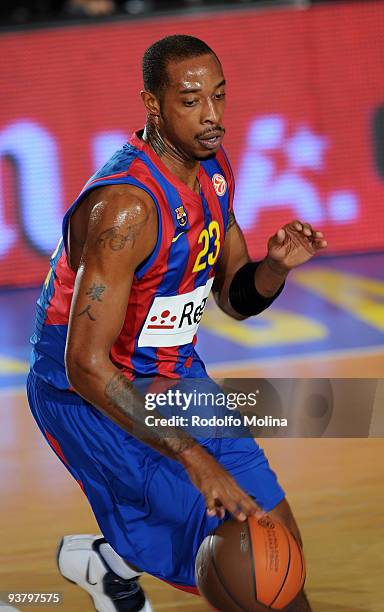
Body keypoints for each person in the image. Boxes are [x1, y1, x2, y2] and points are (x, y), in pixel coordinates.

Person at [26, 35, 327, 612]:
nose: (212, 116)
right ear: (153, 104)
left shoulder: (212, 168)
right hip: (88, 394)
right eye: (192, 101)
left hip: (174, 374)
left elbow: (235, 299)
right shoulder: (125, 208)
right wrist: (195, 456)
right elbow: (85, 365)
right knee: (238, 567)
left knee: (280, 552)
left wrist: (274, 268)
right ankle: (115, 559)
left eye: (219, 96)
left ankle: (107, 562)